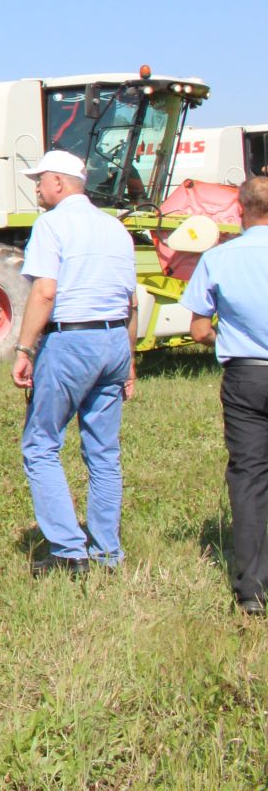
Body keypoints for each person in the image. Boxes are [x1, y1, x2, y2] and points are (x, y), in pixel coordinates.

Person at [11, 147, 138, 576]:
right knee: (103, 452)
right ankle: (107, 552)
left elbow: (45, 292)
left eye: (40, 181)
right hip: (114, 339)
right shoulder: (114, 228)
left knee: (40, 445)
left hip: (72, 341)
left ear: (60, 183)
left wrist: (25, 349)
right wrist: (131, 360)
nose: (37, 190)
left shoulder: (51, 224)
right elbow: (131, 299)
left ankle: (68, 550)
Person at [184, 175, 268, 614]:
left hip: (246, 376)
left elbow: (198, 328)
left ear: (240, 210)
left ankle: (252, 589)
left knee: (250, 476)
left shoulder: (218, 258)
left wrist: (229, 337)